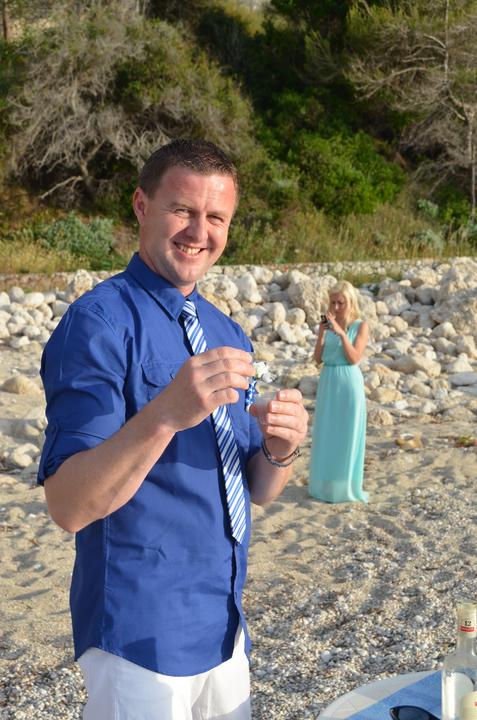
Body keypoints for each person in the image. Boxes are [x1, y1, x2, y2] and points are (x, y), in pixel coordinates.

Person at [37, 138, 308, 720]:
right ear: (142, 206)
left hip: (225, 624)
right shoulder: (97, 324)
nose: (198, 232)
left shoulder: (227, 333)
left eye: (216, 217)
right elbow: (68, 506)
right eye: (182, 210)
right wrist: (164, 413)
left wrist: (281, 449)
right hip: (141, 632)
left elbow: (256, 489)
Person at [308, 280, 369, 504]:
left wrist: (342, 333)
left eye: (340, 303)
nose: (335, 307)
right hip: (328, 381)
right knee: (326, 433)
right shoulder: (329, 325)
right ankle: (325, 484)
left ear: (350, 302)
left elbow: (354, 358)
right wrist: (322, 334)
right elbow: (318, 359)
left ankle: (346, 486)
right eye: (333, 302)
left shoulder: (360, 326)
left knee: (346, 434)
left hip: (349, 382)